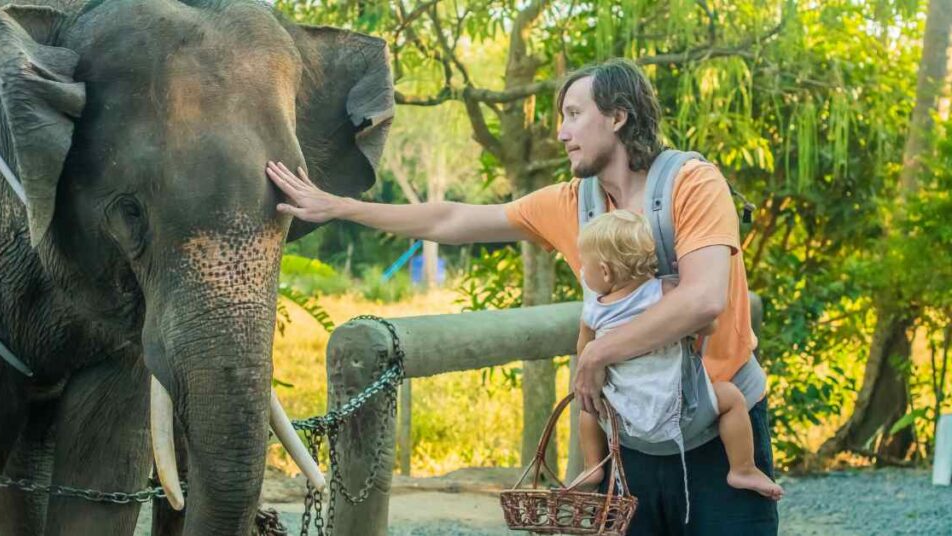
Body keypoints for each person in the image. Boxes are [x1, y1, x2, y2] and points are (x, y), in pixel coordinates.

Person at [266, 58, 780, 534]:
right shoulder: (572, 204)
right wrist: (339, 206)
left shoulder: (693, 184)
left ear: (619, 116)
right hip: (632, 448)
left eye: (575, 115)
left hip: (718, 436)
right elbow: (452, 218)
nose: (562, 132)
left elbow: (704, 299)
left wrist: (597, 352)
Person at [569, 209, 783, 508]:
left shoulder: (594, 310)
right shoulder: (666, 291)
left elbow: (584, 351)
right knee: (731, 398)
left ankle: (593, 465)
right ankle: (742, 468)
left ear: (604, 272)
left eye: (584, 266)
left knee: (588, 407)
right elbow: (708, 325)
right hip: (676, 407)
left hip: (621, 414)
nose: (582, 271)